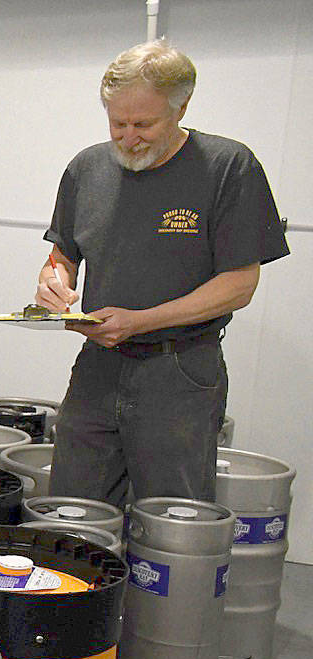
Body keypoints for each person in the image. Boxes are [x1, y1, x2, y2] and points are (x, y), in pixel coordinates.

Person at [37, 40, 289, 507]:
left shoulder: (227, 168)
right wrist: (54, 281)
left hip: (180, 371)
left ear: (182, 107)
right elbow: (63, 254)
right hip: (98, 368)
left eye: (144, 124)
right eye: (117, 123)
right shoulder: (86, 168)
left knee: (172, 518)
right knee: (73, 510)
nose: (128, 137)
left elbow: (240, 285)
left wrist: (141, 320)